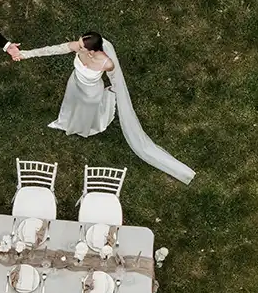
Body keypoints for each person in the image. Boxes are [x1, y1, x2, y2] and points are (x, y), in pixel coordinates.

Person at [13, 31, 196, 184]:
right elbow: (54, 50)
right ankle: (65, 121)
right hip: (75, 84)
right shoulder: (79, 47)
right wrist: (26, 54)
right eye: (79, 44)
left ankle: (84, 127)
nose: (77, 47)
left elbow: (115, 78)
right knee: (70, 104)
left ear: (92, 51)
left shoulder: (107, 63)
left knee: (86, 112)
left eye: (82, 46)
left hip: (91, 94)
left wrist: (116, 91)